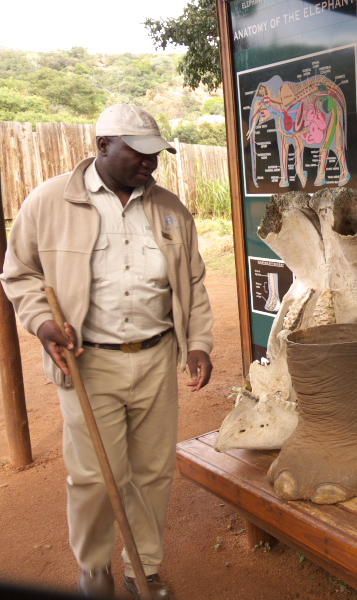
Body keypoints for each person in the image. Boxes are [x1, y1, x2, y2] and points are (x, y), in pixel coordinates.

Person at [0, 104, 214, 600]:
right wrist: (42, 322)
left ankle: (145, 570)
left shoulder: (170, 209)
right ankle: (94, 569)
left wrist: (199, 343)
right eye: (138, 152)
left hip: (156, 358)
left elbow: (194, 283)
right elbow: (19, 273)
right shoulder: (50, 201)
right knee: (95, 477)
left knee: (152, 472)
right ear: (102, 146)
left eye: (155, 154)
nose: (150, 163)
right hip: (88, 363)